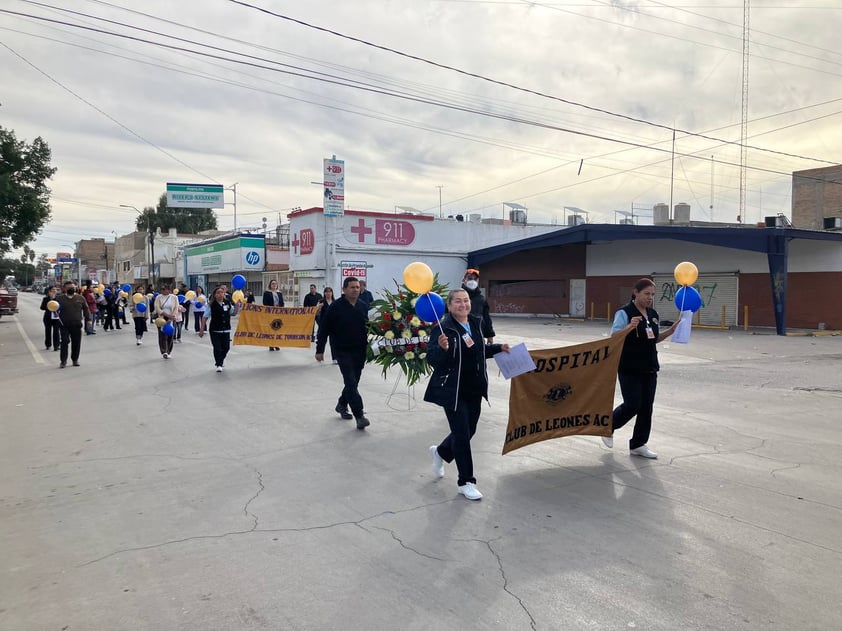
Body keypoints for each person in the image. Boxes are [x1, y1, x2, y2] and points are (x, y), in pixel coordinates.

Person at [424, 289, 509, 501]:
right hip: (452, 390)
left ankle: (441, 452)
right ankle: (466, 481)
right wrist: (441, 349)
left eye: (466, 301)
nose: (463, 305)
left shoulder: (476, 322)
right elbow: (432, 359)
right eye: (458, 302)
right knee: (461, 434)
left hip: (475, 387)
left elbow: (480, 351)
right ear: (450, 306)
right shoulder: (443, 328)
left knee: (469, 431)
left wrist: (500, 347)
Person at [602, 278, 678, 459]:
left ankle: (638, 444)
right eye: (646, 294)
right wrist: (629, 327)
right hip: (629, 366)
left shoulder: (653, 314)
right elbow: (614, 336)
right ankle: (607, 427)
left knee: (646, 407)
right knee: (633, 404)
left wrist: (671, 331)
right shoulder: (624, 312)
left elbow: (654, 338)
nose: (650, 298)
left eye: (652, 295)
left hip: (650, 366)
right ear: (635, 292)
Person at [315, 277, 370, 430]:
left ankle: (341, 404)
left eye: (357, 287)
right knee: (351, 382)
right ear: (344, 289)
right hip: (342, 350)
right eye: (352, 287)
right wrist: (320, 350)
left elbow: (368, 328)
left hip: (359, 351)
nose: (355, 290)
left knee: (353, 382)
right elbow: (324, 329)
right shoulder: (335, 307)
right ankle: (360, 416)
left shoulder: (363, 306)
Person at [199, 285, 240, 372]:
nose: (220, 294)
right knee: (217, 348)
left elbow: (233, 313)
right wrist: (202, 329)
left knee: (226, 348)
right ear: (214, 295)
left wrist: (237, 306)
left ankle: (220, 360)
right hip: (215, 330)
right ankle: (219, 364)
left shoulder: (227, 303)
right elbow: (205, 317)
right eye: (218, 293)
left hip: (226, 329)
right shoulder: (211, 305)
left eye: (222, 292)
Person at [55, 280, 92, 368]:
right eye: (68, 287)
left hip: (76, 324)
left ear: (75, 288)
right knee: (64, 341)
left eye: (72, 287)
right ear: (64, 289)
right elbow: (54, 309)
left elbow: (86, 309)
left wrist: (89, 320)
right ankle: (63, 361)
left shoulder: (80, 298)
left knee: (76, 342)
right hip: (64, 324)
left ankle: (75, 359)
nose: (71, 289)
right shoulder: (59, 299)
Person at [462, 268, 495, 344]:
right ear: (464, 279)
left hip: (478, 335)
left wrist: (490, 335)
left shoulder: (481, 299)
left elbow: (486, 318)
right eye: (470, 278)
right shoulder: (456, 296)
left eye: (475, 279)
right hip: (460, 334)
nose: (472, 281)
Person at [152, 284, 178, 359]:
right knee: (162, 335)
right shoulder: (158, 297)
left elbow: (176, 308)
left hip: (171, 318)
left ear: (169, 290)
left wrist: (171, 318)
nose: (163, 291)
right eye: (162, 289)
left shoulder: (174, 297)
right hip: (161, 318)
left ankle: (169, 350)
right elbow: (157, 308)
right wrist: (166, 315)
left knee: (170, 334)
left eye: (164, 289)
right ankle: (164, 351)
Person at [262, 279, 285, 351]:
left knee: (277, 328)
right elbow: (264, 303)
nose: (274, 285)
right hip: (270, 313)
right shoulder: (267, 293)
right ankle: (271, 344)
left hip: (278, 313)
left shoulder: (279, 293)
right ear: (270, 285)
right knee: (271, 329)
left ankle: (276, 344)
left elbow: (282, 303)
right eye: (272, 284)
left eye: (275, 284)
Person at [316, 286, 337, 362]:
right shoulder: (321, 301)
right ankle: (319, 354)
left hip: (333, 325)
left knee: (334, 341)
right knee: (321, 341)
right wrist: (319, 308)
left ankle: (335, 358)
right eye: (326, 292)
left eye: (330, 292)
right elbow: (316, 312)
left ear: (332, 293)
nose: (328, 293)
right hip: (323, 324)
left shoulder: (335, 302)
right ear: (324, 293)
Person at [39, 286, 61, 351]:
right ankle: (48, 345)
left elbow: (61, 307)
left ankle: (56, 346)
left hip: (56, 317)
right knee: (48, 331)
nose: (54, 291)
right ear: (49, 291)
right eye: (53, 290)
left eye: (55, 289)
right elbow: (42, 307)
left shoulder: (58, 298)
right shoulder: (45, 299)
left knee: (56, 332)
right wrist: (49, 306)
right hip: (48, 317)